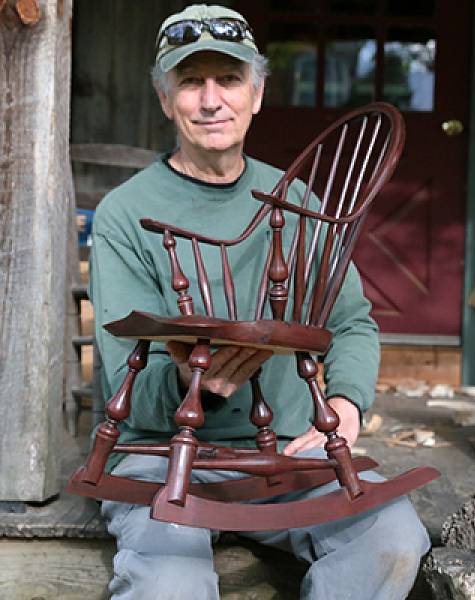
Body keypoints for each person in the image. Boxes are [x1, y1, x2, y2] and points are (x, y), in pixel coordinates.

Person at [90, 4, 430, 599]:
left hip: (290, 454)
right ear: (165, 99)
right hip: (161, 453)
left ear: (258, 93)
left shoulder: (294, 200)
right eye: (191, 82)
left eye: (229, 79)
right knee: (168, 585)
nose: (211, 99)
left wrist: (347, 404)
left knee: (393, 539)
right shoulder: (124, 212)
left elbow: (352, 322)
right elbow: (126, 375)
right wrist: (195, 381)